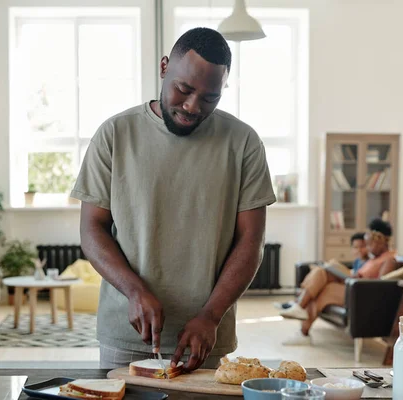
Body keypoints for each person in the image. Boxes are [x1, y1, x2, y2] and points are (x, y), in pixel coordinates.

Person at [71, 27, 276, 372]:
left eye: (210, 98)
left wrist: (210, 315)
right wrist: (134, 291)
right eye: (184, 89)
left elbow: (251, 240)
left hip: (206, 338)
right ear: (165, 67)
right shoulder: (115, 134)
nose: (192, 106)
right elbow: (92, 228)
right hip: (127, 337)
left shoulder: (244, 143)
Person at [279, 219, 396, 345]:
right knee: (322, 272)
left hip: (361, 294)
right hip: (351, 286)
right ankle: (300, 316)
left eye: (369, 245)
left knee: (325, 287)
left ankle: (300, 313)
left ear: (380, 242)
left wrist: (358, 279)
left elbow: (380, 286)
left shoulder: (389, 260)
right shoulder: (374, 259)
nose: (367, 249)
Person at [275, 231, 369, 311]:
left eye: (362, 247)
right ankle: (298, 303)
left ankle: (298, 302)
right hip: (347, 280)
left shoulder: (370, 262)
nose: (359, 250)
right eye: (356, 247)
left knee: (325, 269)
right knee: (321, 270)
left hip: (351, 285)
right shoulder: (357, 261)